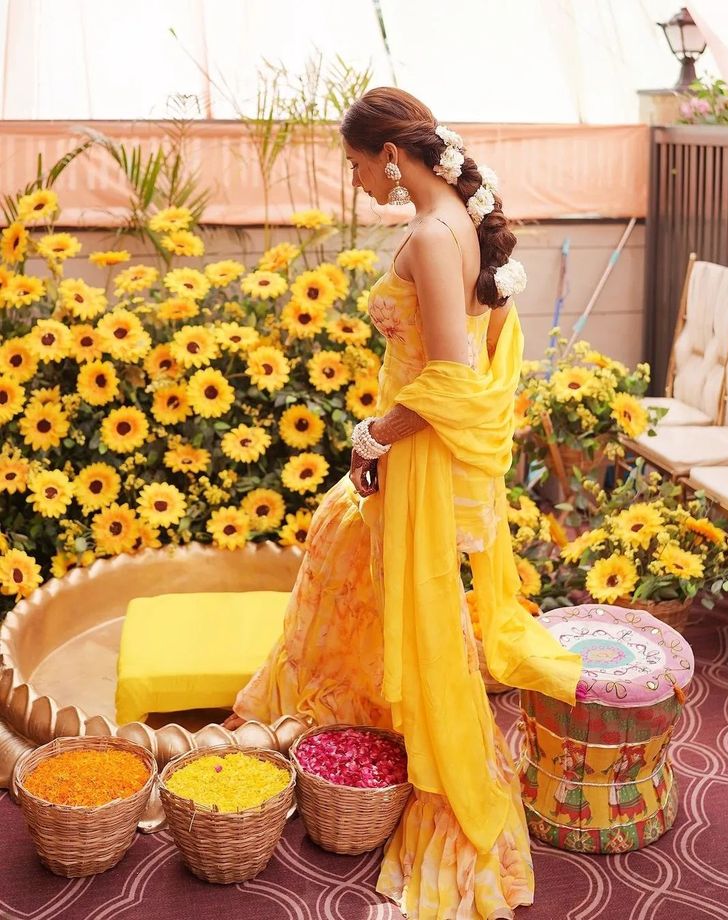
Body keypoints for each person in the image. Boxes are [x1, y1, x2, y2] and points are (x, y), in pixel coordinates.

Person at [225, 87, 583, 920]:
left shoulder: (430, 234)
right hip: (417, 454)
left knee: (425, 619)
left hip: (415, 454)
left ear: (389, 154)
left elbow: (454, 378)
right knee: (340, 540)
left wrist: (375, 434)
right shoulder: (462, 214)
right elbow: (481, 351)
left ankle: (439, 777)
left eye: (355, 168)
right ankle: (345, 725)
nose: (356, 186)